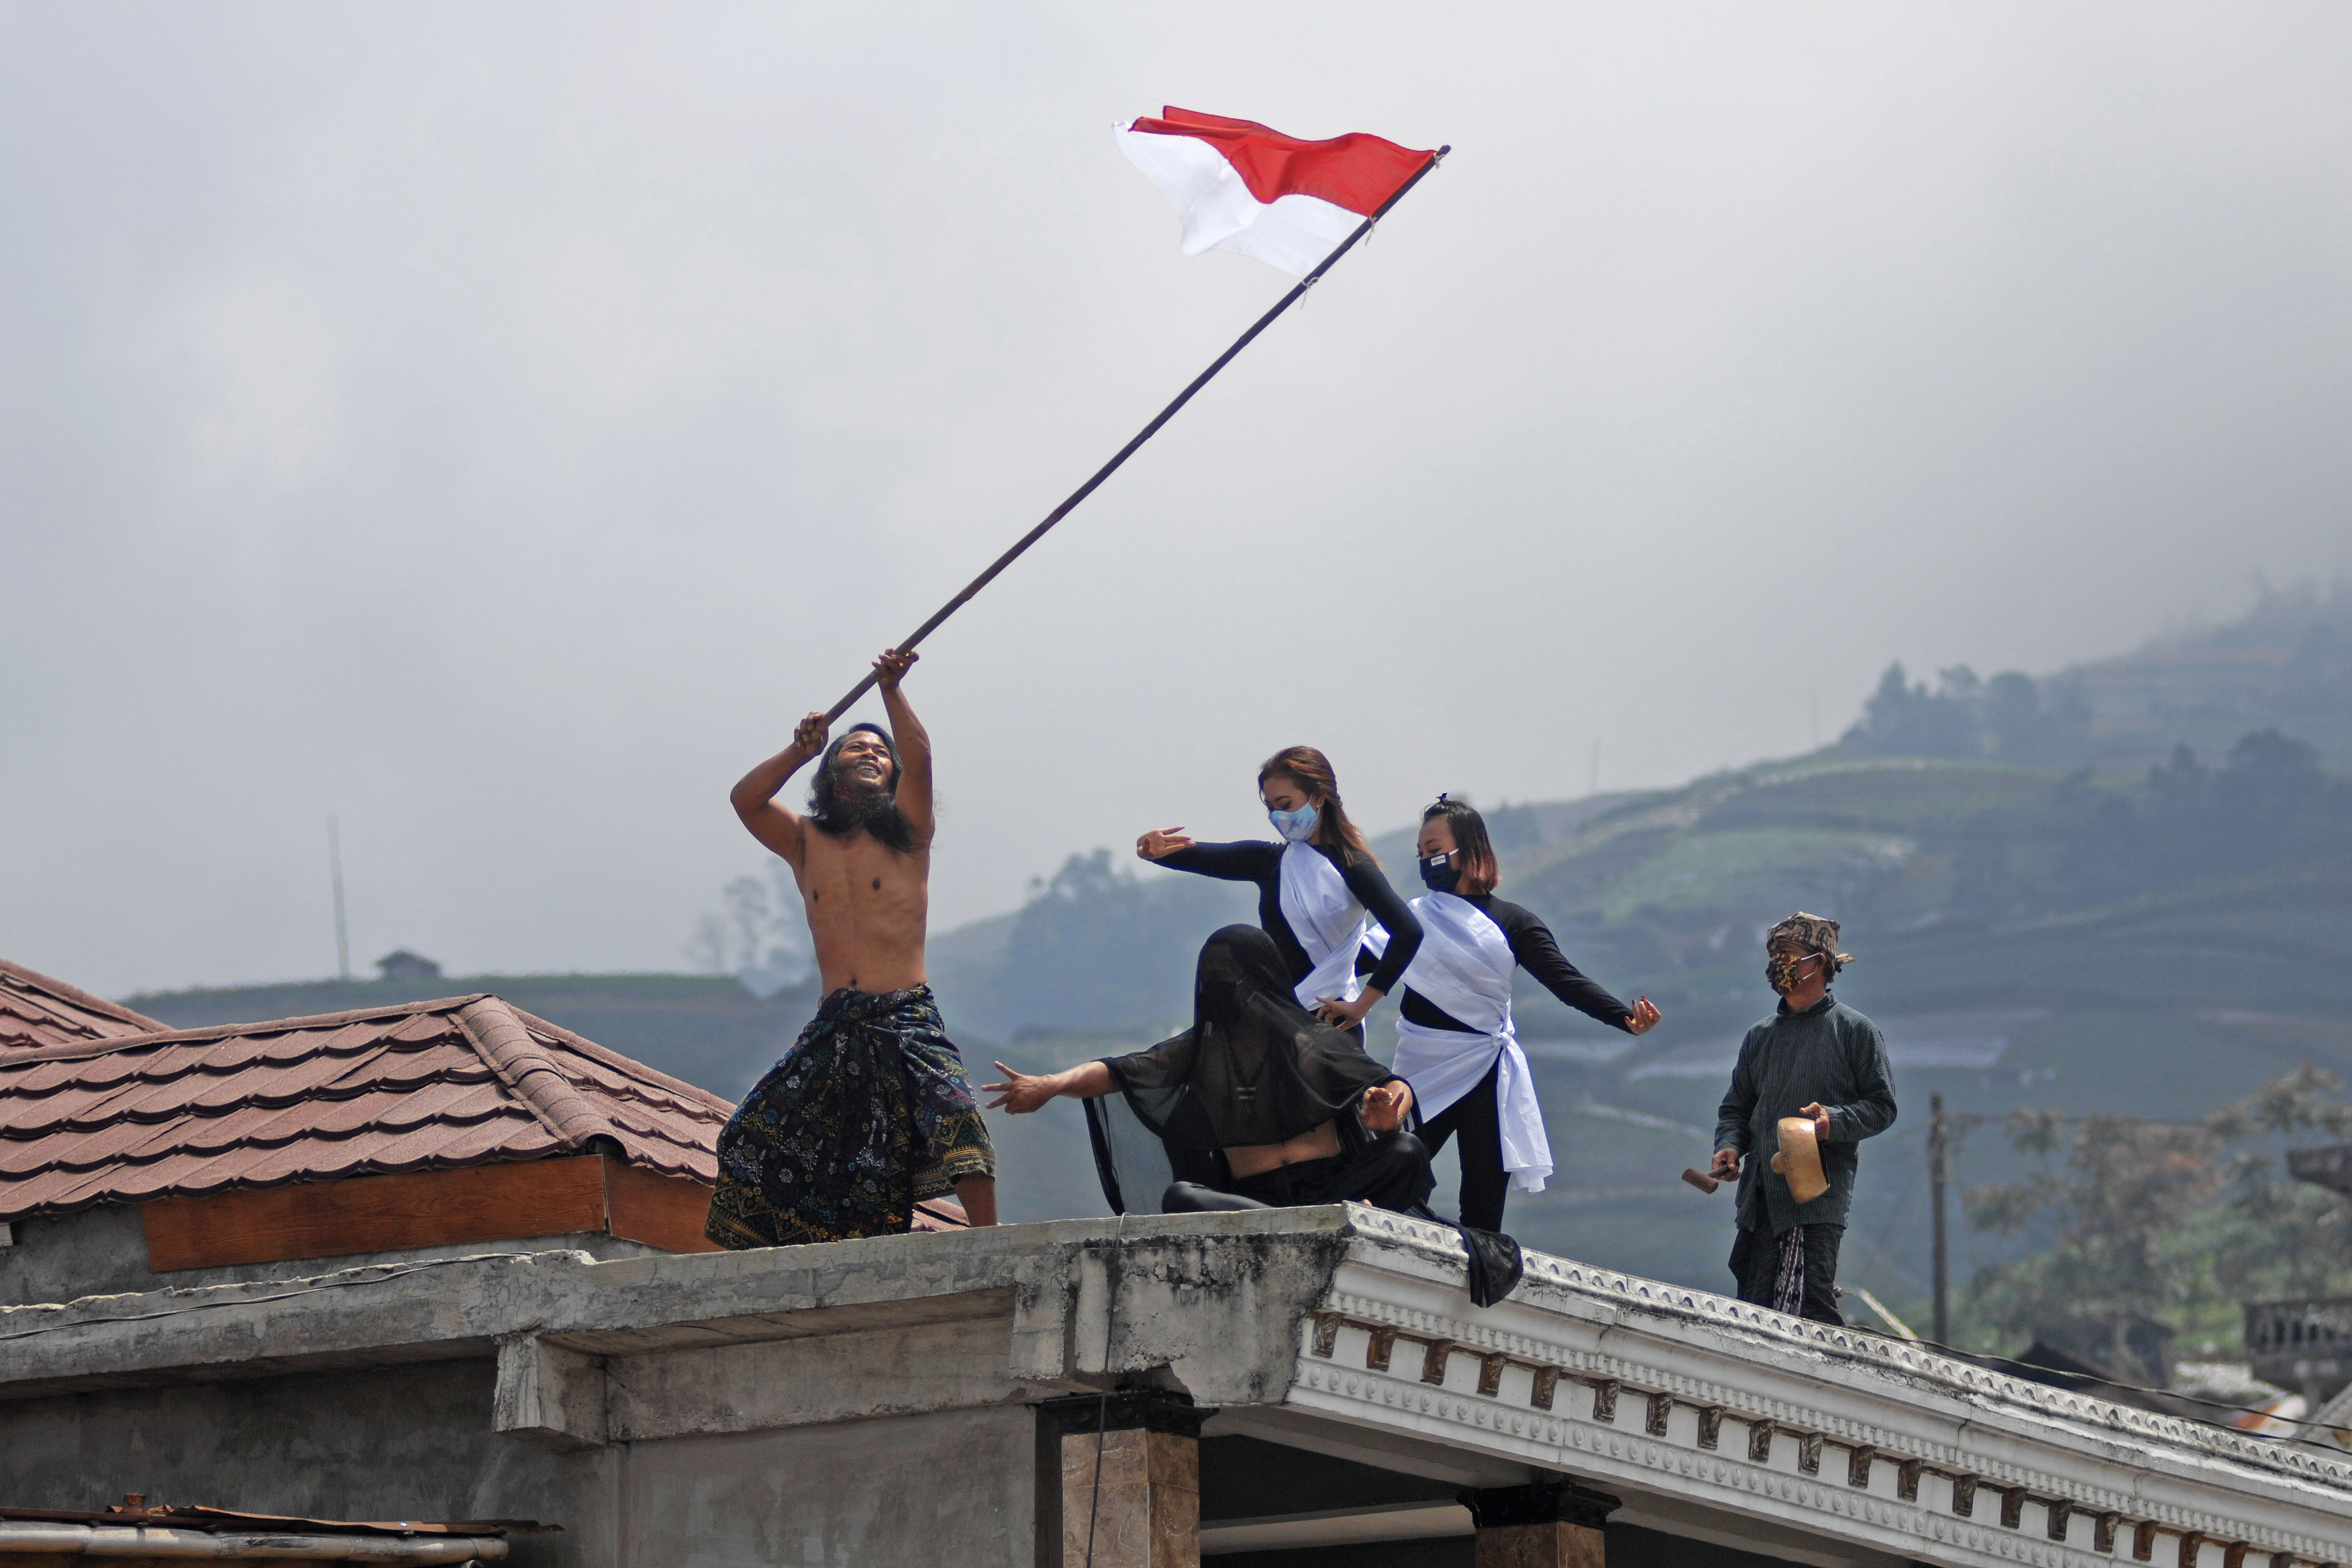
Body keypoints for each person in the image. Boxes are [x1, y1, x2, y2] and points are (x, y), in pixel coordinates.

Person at [704, 647, 997, 1248]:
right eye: (855, 746)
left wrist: (891, 690)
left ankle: (994, 1242)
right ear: (831, 773)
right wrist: (797, 749)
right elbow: (744, 800)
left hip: (906, 1010)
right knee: (750, 1137)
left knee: (956, 1120)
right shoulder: (804, 840)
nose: (871, 751)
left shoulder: (908, 835)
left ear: (891, 777)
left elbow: (922, 759)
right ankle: (784, 1259)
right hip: (836, 1020)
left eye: (879, 750)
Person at [982, 926, 1433, 1216]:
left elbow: (1388, 1083)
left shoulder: (1313, 1043)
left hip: (1335, 1191)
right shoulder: (1198, 1053)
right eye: (1212, 976)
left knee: (1406, 1150)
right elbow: (1115, 1072)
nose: (1221, 987)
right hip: (1255, 1206)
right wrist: (1048, 1085)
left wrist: (1390, 1111)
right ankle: (1288, 1230)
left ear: (1260, 981)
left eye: (1231, 976)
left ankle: (1345, 1217)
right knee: (1184, 1198)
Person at [1394, 796, 1663, 1232]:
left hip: (1484, 1066)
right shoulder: (1414, 918)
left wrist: (1623, 1017)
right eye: (1421, 854)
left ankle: (1476, 1284)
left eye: (1435, 848)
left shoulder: (1514, 922)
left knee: (1482, 1198)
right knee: (1395, 1173)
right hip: (1420, 1064)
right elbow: (1359, 962)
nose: (1427, 861)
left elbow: (1564, 980)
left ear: (1470, 849)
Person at [1134, 746, 1421, 1037]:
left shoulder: (1353, 866)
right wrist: (1155, 852)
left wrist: (1363, 1005)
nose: (1278, 817)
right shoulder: (1271, 862)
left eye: (1286, 805)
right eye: (1271, 808)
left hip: (1330, 1022)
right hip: (1276, 1016)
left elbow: (1408, 932)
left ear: (1319, 797)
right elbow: (1208, 857)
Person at [1708, 912, 1896, 1324]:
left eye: (1788, 955)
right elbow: (1736, 1106)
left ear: (1820, 962)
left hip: (1813, 1200)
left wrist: (1833, 1121)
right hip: (1759, 1201)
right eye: (1774, 955)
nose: (1778, 964)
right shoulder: (1760, 1037)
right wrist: (1729, 1144)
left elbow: (1882, 1106)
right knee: (1754, 1311)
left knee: (1809, 1310)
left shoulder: (1854, 1032)